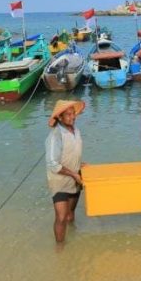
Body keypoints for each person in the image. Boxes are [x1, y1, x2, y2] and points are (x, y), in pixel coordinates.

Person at [45, 100, 85, 244]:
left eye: (73, 113)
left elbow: (71, 152)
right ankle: (60, 248)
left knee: (70, 214)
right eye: (68, 114)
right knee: (61, 217)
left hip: (75, 178)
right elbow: (52, 163)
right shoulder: (55, 135)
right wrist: (74, 174)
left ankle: (72, 237)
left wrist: (79, 165)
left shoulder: (76, 131)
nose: (72, 117)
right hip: (60, 181)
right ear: (60, 118)